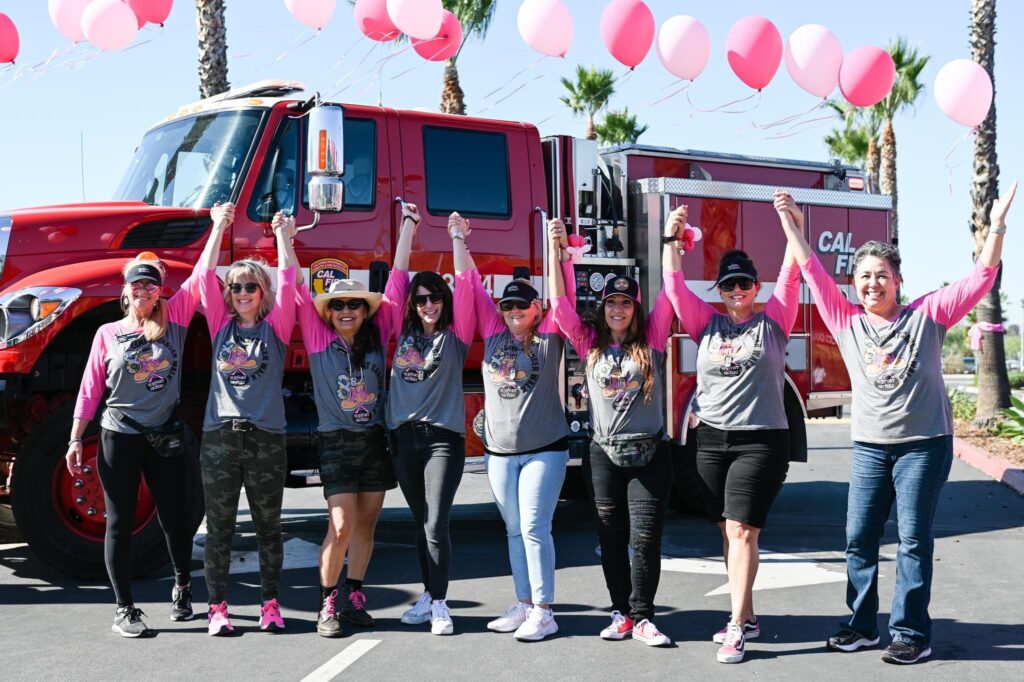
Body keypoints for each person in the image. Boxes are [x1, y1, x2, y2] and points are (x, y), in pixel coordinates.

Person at [773, 182, 1016, 665]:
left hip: (923, 445)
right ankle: (862, 626)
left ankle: (911, 633)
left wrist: (996, 227)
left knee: (912, 540)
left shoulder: (929, 313)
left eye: (882, 275)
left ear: (897, 281)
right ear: (854, 283)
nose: (873, 284)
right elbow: (810, 268)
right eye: (864, 276)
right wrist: (791, 224)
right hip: (869, 447)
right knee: (859, 538)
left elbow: (981, 278)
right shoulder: (845, 319)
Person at [69, 208, 227, 637]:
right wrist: (75, 438)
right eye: (136, 284)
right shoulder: (107, 334)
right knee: (119, 521)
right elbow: (90, 388)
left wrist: (218, 226)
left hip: (165, 435)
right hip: (119, 434)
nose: (143, 290)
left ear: (160, 292)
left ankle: (182, 585)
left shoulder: (175, 321)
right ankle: (124, 609)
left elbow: (202, 273)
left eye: (151, 285)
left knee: (175, 518)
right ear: (125, 291)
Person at [667, 204, 801, 664]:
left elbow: (792, 274)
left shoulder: (773, 322)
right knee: (729, 530)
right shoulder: (706, 323)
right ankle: (748, 613)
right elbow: (673, 285)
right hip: (711, 441)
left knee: (743, 530)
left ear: (756, 288)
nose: (737, 290)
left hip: (761, 441)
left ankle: (736, 627)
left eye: (744, 283)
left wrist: (791, 227)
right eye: (729, 285)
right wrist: (671, 239)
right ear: (719, 290)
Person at [547, 216, 685, 647]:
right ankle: (621, 613)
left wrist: (670, 239)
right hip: (603, 455)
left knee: (645, 540)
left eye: (626, 303)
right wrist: (554, 250)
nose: (618, 309)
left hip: (650, 456)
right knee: (610, 537)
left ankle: (643, 617)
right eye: (611, 303)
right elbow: (559, 304)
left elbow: (671, 291)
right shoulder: (588, 343)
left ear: (635, 308)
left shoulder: (653, 338)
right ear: (603, 309)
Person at [454, 212, 576, 642]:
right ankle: (524, 603)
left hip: (545, 450)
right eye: (507, 306)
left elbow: (563, 297)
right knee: (512, 530)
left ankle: (544, 611)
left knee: (534, 528)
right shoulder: (494, 333)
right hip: (500, 453)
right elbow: (469, 283)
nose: (513, 312)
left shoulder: (550, 335)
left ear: (536, 308)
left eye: (522, 305)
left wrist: (558, 249)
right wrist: (458, 239)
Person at [295, 209, 407, 638]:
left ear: (364, 310)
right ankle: (327, 603)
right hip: (336, 441)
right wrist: (286, 237)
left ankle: (355, 595)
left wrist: (408, 227)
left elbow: (397, 283)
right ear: (328, 312)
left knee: (366, 525)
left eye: (354, 304)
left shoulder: (377, 337)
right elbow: (294, 284)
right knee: (340, 525)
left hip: (374, 439)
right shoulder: (319, 338)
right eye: (338, 305)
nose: (346, 310)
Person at [197, 206, 298, 636]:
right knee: (219, 530)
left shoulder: (276, 328)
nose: (241, 292)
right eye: (235, 286)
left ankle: (270, 604)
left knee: (268, 528)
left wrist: (283, 236)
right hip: (221, 438)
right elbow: (204, 276)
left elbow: (290, 280)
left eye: (250, 286)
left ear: (262, 292)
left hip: (266, 440)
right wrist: (218, 226)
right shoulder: (220, 326)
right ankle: (216, 608)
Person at [387, 205, 476, 636]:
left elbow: (468, 284)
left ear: (445, 300)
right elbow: (396, 277)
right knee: (420, 521)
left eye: (435, 297)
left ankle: (440, 604)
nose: (428, 305)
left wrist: (457, 237)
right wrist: (409, 225)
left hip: (442, 439)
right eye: (421, 299)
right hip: (404, 438)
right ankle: (428, 595)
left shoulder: (456, 335)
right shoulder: (399, 331)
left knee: (437, 521)